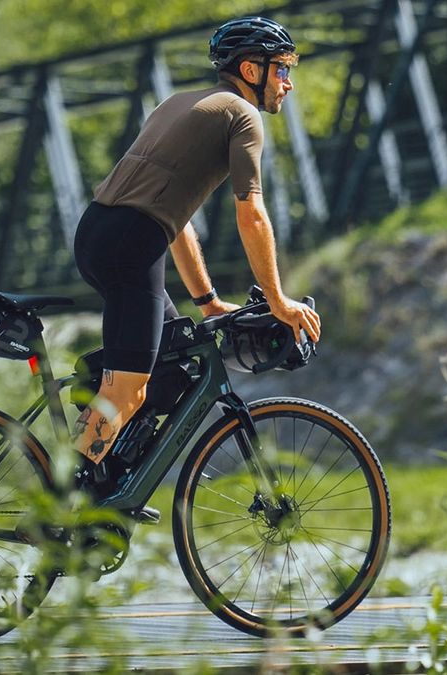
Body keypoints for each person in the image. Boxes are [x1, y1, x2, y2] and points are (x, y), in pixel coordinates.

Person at [71, 15, 322, 486]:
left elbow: (176, 220)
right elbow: (252, 215)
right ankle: (67, 496)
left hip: (101, 232)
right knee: (127, 385)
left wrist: (206, 302)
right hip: (132, 244)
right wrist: (277, 300)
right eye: (283, 69)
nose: (288, 83)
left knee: (169, 373)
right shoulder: (241, 116)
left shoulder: (181, 103)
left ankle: (105, 484)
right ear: (252, 70)